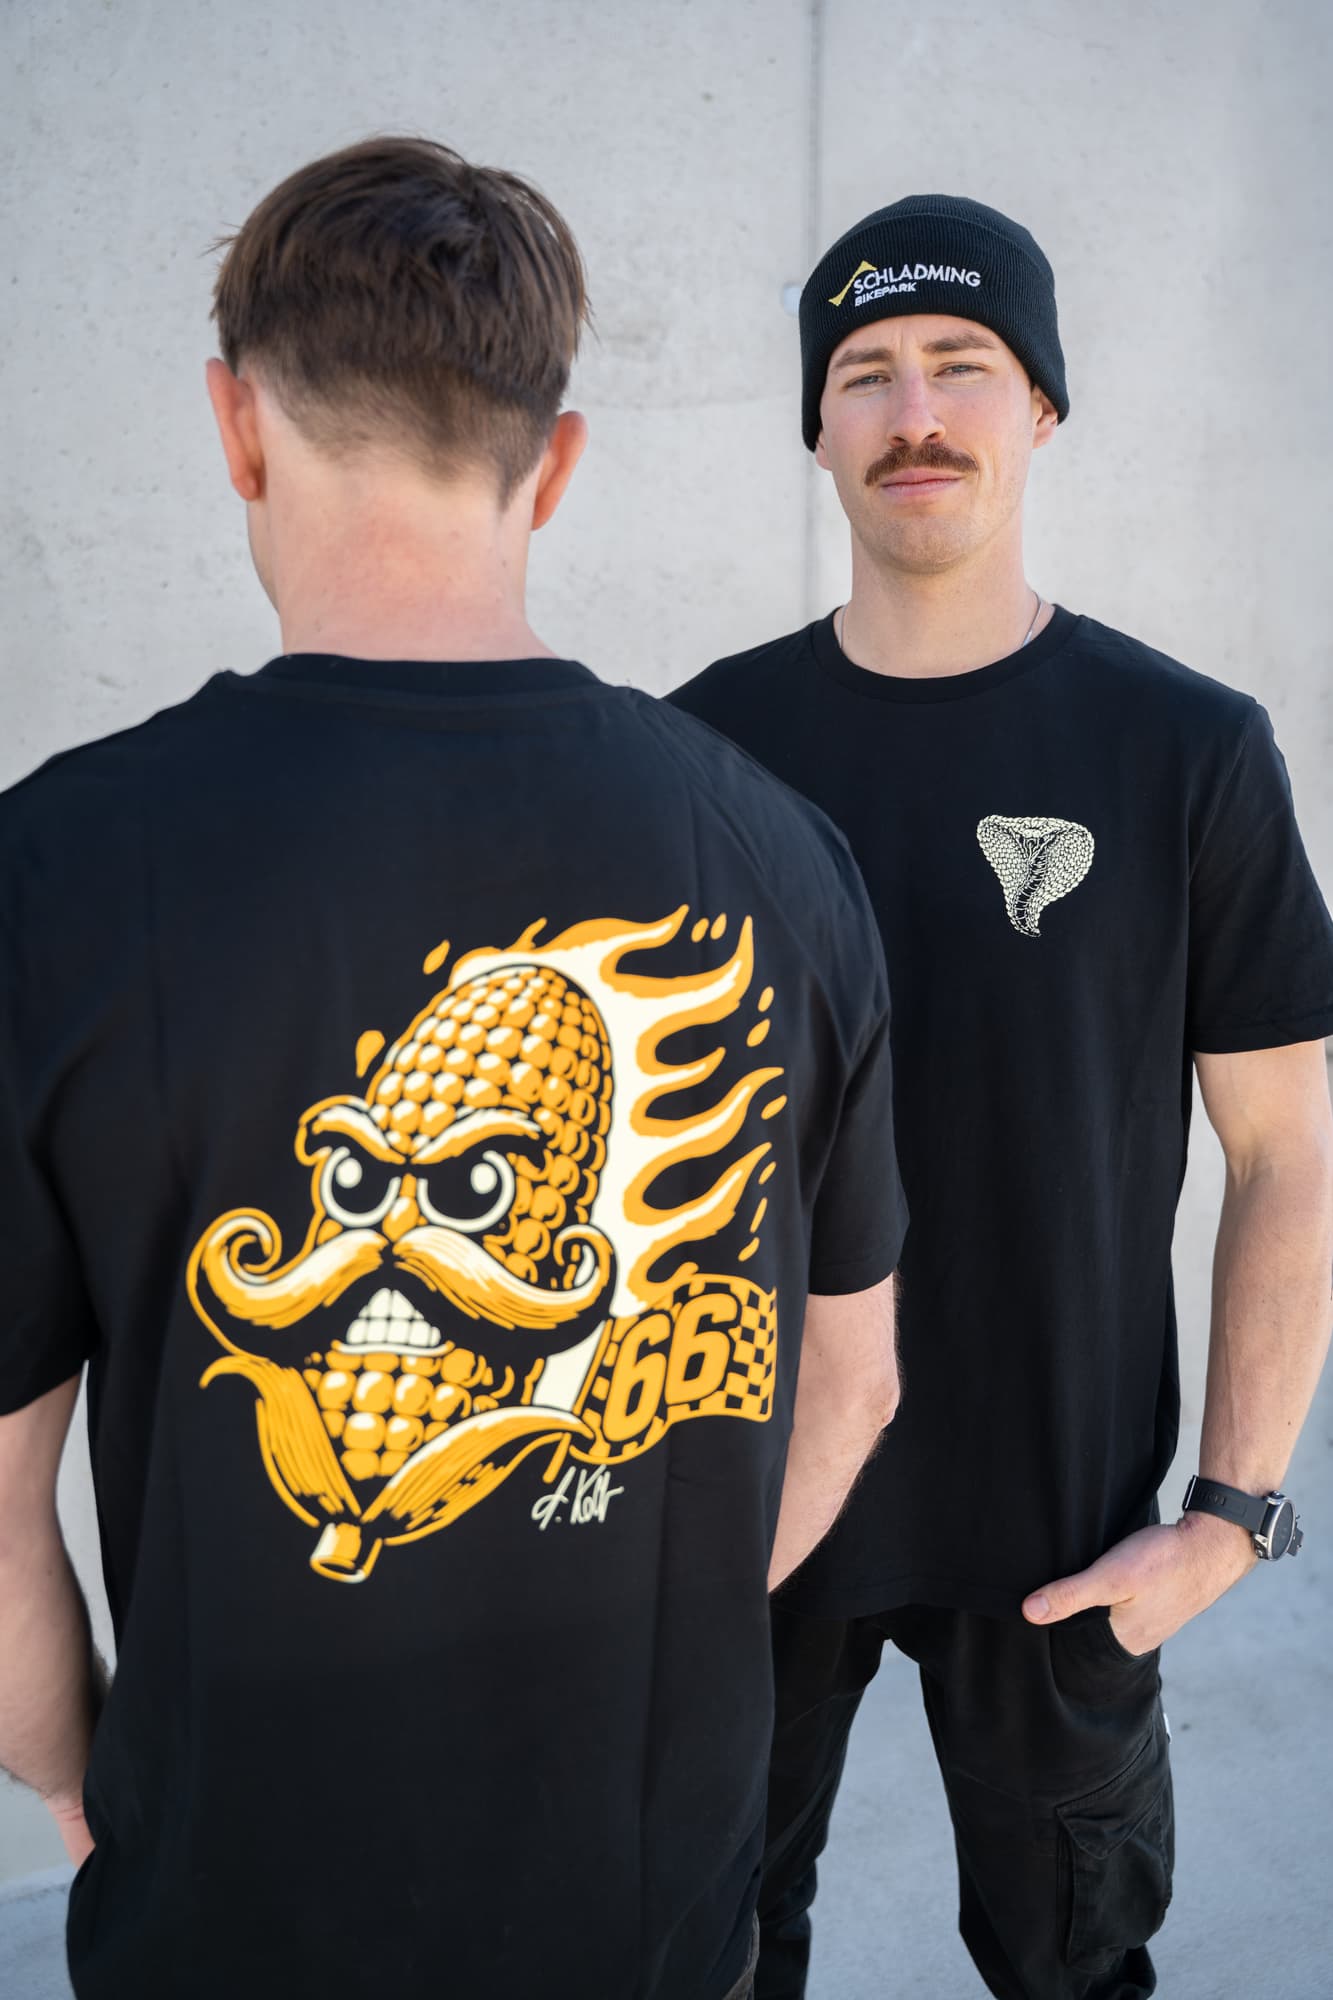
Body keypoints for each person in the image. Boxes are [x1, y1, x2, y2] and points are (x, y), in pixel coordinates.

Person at [0, 140, 909, 2000]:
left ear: (235, 428)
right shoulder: (780, 859)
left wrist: (89, 1786)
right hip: (648, 1918)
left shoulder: (53, 873)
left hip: (226, 1923)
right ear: (553, 465)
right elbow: (853, 1382)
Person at [671, 192, 1333, 2000]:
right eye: (865, 374)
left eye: (960, 364)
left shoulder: (1185, 747)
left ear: (1039, 405)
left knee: (1073, 1971)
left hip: (1066, 1532)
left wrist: (1231, 1514)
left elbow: (1285, 1153)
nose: (914, 414)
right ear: (816, 427)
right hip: (755, 1514)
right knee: (701, 1958)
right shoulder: (702, 751)